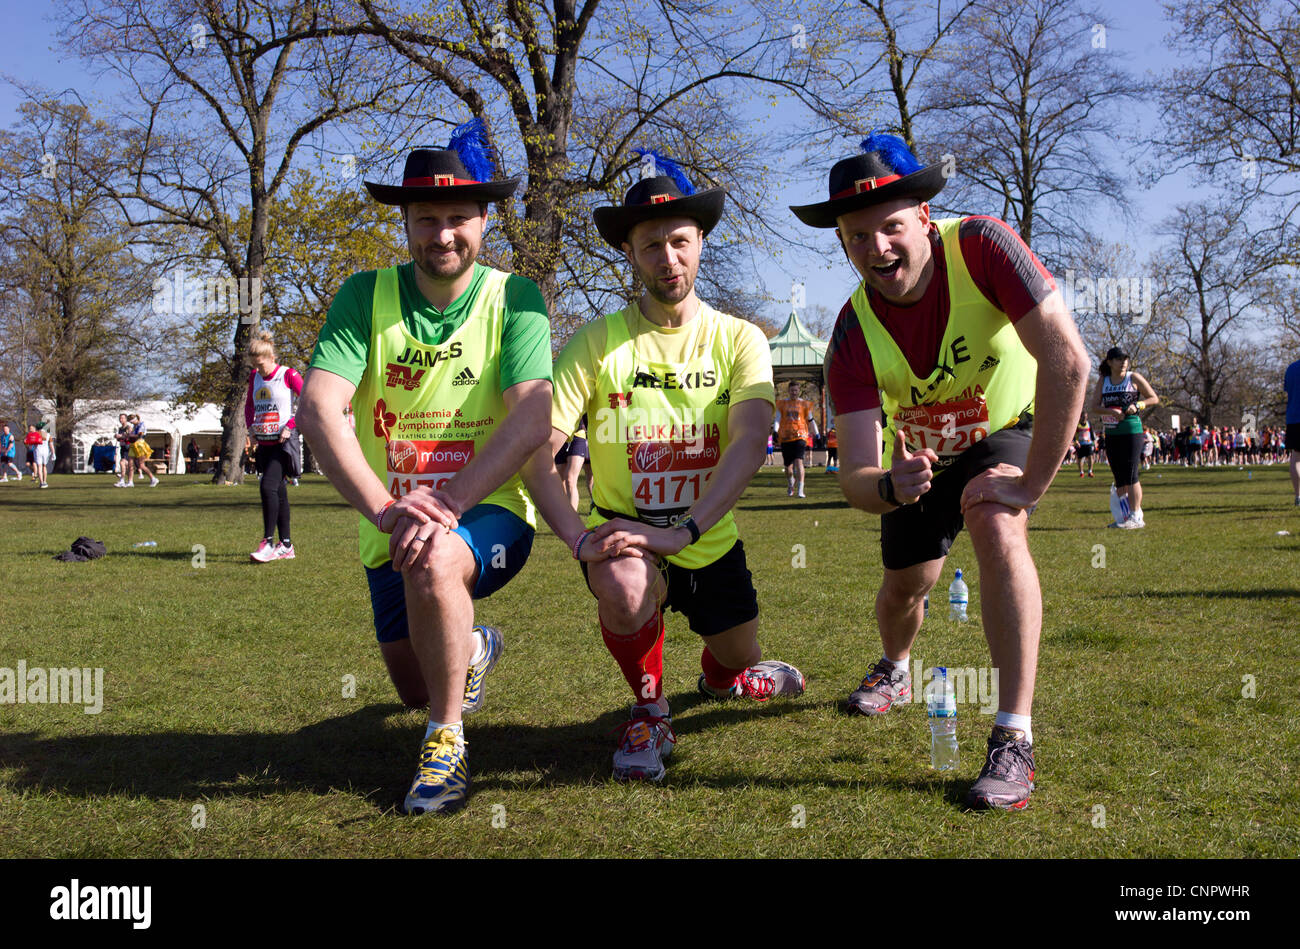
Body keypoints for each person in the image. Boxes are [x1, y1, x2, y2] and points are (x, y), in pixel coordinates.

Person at [794, 133, 1090, 810]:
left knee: (995, 520)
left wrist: (1030, 486)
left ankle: (1013, 736)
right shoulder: (849, 331)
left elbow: (1069, 361)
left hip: (1004, 431)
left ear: (925, 219)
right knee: (906, 587)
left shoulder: (985, 244)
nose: (878, 249)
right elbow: (853, 478)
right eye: (857, 236)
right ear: (842, 243)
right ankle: (896, 668)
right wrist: (889, 485)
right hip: (917, 459)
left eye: (892, 226)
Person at [520, 151, 805, 784]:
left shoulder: (739, 338)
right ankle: (650, 708)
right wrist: (577, 539)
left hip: (706, 537)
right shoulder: (595, 342)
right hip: (626, 534)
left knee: (735, 660)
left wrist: (683, 531)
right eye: (651, 245)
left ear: (700, 241)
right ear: (629, 251)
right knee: (624, 586)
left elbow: (749, 440)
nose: (668, 258)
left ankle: (724, 672)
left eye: (680, 241)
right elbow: (535, 453)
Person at [297, 120, 552, 816]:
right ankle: (470, 647)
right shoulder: (362, 296)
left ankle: (445, 745)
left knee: (435, 562)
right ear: (404, 222)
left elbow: (533, 416)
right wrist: (386, 508)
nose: (443, 234)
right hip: (391, 521)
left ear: (485, 220)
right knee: (412, 683)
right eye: (426, 219)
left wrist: (448, 501)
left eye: (459, 218)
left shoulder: (516, 298)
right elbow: (320, 409)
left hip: (490, 510)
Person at [245, 331, 305, 562]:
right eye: (255, 366)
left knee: (267, 488)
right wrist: (250, 426)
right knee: (278, 491)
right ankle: (287, 545)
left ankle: (268, 543)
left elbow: (307, 400)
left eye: (261, 365)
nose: (258, 370)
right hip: (264, 442)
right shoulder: (254, 377)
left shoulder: (287, 374)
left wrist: (290, 425)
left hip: (283, 442)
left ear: (271, 358)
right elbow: (250, 405)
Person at [1095, 347, 1158, 528]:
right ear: (1109, 362)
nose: (1123, 362)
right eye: (1118, 359)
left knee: (1131, 473)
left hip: (1132, 430)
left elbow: (1153, 398)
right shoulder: (1104, 381)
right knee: (1119, 477)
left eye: (1125, 359)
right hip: (1112, 432)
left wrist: (1137, 405)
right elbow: (1094, 406)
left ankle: (1136, 515)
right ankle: (1123, 517)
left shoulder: (1133, 378)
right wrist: (1110, 412)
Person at [775, 380, 819, 497]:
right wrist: (775, 431)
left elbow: (811, 420)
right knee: (788, 468)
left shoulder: (804, 404)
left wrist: (817, 433)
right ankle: (791, 483)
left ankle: (800, 490)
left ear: (799, 391)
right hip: (786, 437)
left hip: (801, 435)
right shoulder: (782, 404)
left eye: (796, 390)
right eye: (792, 390)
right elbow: (777, 419)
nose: (794, 392)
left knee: (799, 461)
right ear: (788, 391)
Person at [127, 414, 161, 486]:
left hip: (140, 445)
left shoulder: (142, 425)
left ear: (135, 419)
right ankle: (130, 482)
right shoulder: (134, 426)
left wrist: (130, 435)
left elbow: (140, 435)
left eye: (131, 422)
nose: (131, 423)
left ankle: (153, 479)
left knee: (141, 465)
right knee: (130, 463)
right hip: (133, 445)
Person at [1285, 357, 1300, 504]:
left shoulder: (1291, 369)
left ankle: (1298, 496)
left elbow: (1288, 391)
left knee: (1296, 457)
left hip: (1294, 417)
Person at [1074, 411, 1095, 477]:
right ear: (1080, 417)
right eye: (1083, 417)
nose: (1084, 418)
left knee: (1090, 457)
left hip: (1088, 443)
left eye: (1086, 417)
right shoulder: (1077, 424)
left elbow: (1091, 433)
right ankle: (1081, 472)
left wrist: (1094, 442)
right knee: (1080, 459)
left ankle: (1090, 471)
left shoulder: (1089, 423)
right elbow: (1073, 434)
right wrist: (1075, 441)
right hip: (1080, 444)